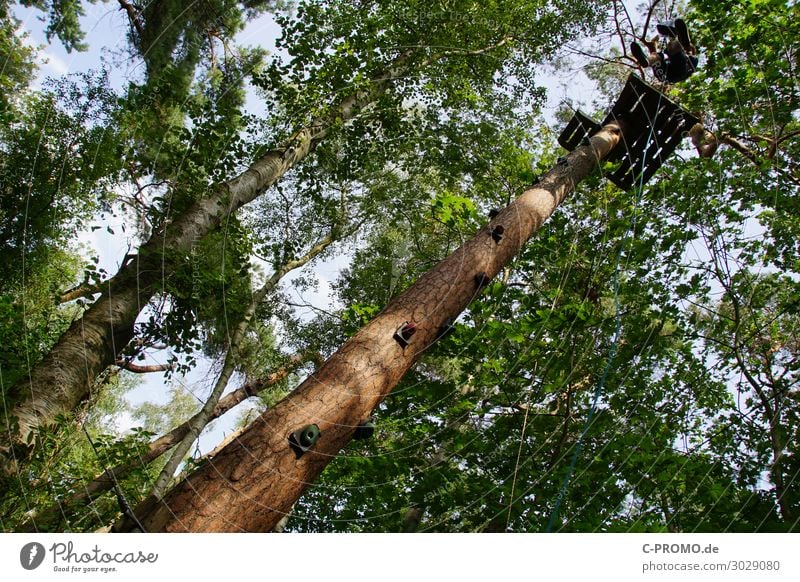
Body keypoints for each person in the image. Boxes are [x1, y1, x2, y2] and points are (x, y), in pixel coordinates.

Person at [631, 18, 699, 84]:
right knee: (657, 56)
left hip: (671, 74)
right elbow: (668, 54)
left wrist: (687, 51)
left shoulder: (692, 61)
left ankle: (685, 44)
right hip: (664, 76)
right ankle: (646, 61)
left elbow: (689, 62)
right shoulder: (674, 58)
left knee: (675, 47)